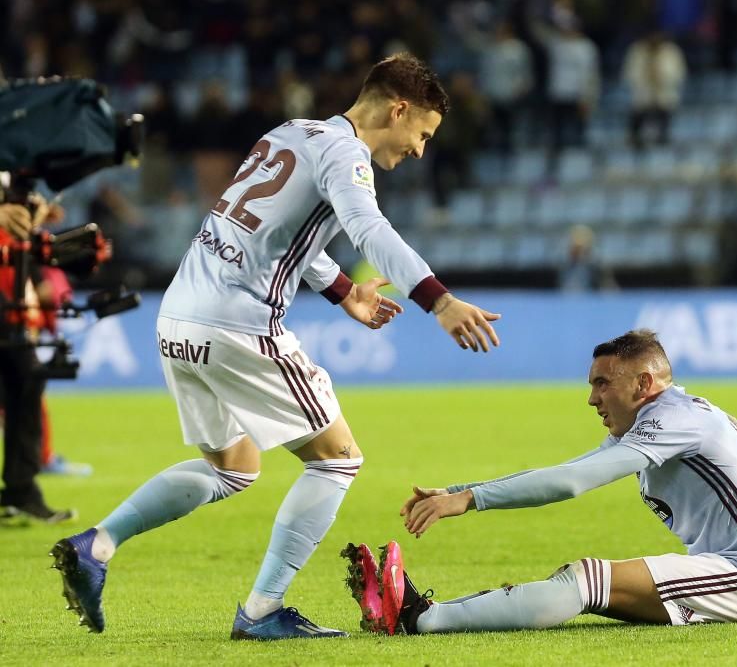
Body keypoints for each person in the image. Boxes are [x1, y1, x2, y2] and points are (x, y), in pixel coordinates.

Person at [51, 53, 501, 640]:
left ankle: (97, 544)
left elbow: (283, 232)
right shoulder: (347, 154)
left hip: (179, 317)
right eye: (422, 134)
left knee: (233, 468)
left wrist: (343, 291)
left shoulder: (291, 135)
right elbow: (370, 229)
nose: (419, 150)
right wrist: (439, 300)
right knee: (338, 458)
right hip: (238, 324)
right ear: (397, 109)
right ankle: (262, 611)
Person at [345, 329, 737, 634]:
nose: (591, 398)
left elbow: (571, 483)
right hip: (726, 569)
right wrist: (460, 489)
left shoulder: (675, 420)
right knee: (590, 585)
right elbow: (563, 472)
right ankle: (419, 616)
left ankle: (421, 619)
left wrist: (469, 500)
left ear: (643, 383)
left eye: (603, 384)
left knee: (586, 579)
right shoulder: (660, 420)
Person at [0, 191, 76, 524]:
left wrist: (34, 216)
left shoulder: (13, 172)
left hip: (10, 294)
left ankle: (20, 490)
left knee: (27, 378)